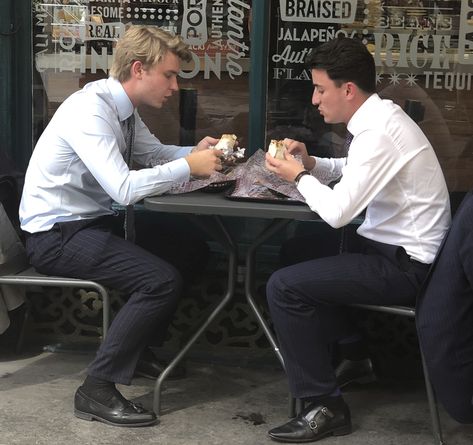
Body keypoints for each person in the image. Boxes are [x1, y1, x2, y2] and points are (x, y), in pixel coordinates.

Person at [19, 25, 224, 427]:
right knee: (159, 280)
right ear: (138, 69)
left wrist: (196, 152)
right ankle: (96, 388)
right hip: (56, 235)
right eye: (168, 75)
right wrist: (188, 168)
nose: (174, 86)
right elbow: (124, 187)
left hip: (91, 223)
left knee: (191, 250)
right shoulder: (89, 110)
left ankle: (138, 349)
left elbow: (154, 154)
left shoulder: (123, 109)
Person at [264, 36, 451, 443]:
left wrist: (297, 177)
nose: (315, 100)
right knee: (295, 251)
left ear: (348, 90)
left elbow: (336, 214)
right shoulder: (379, 119)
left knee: (284, 287)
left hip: (406, 265)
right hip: (391, 249)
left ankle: (323, 405)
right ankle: (354, 354)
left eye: (320, 88)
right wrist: (312, 162)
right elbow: (356, 166)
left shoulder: (380, 130)